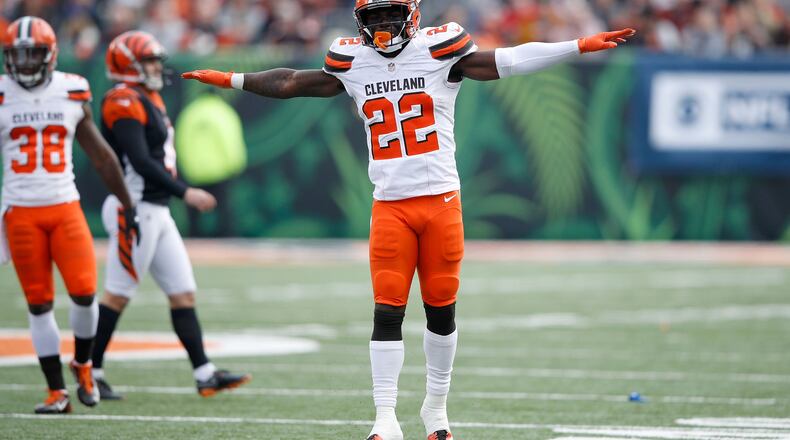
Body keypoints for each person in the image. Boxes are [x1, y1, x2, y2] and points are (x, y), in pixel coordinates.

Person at [183, 1, 635, 438]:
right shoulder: (352, 60)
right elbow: (289, 82)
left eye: (390, 14)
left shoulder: (441, 52)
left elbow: (511, 60)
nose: (381, 24)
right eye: (373, 16)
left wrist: (576, 45)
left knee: (441, 311)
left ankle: (435, 410)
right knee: (386, 311)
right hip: (391, 206)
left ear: (412, 15)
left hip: (440, 204)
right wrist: (233, 78)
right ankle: (384, 419)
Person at [90, 30, 251, 400]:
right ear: (128, 65)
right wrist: (186, 192)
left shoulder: (147, 97)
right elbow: (140, 161)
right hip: (134, 207)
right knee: (117, 295)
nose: (154, 68)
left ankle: (205, 373)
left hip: (156, 211)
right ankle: (90, 370)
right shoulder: (122, 100)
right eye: (147, 61)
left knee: (183, 294)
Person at [0, 16, 139, 414]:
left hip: (64, 206)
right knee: (39, 303)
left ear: (50, 55)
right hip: (20, 211)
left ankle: (83, 364)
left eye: (33, 55)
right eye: (18, 56)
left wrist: (127, 203)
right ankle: (55, 392)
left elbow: (99, 153)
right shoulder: (2, 94)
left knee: (83, 293)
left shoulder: (72, 89)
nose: (25, 64)